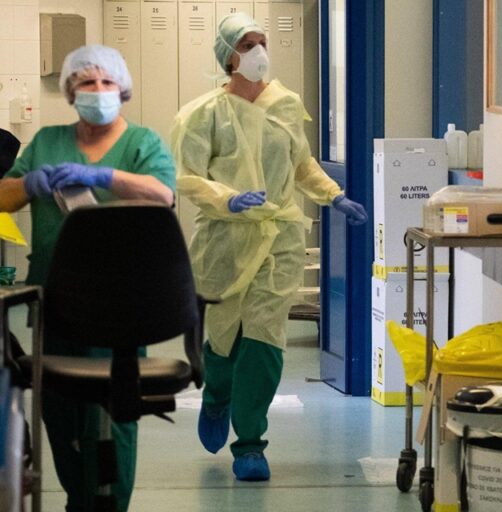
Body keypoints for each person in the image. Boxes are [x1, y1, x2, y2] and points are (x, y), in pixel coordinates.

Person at [171, 12, 367, 482]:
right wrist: (228, 199)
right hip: (224, 239)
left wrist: (333, 196)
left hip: (279, 238)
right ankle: (217, 395)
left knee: (263, 338)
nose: (259, 51)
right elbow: (187, 177)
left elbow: (301, 164)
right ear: (228, 57)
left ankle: (250, 444)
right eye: (247, 44)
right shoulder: (202, 114)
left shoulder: (285, 104)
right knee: (223, 339)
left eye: (261, 41)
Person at [0, 44, 175, 512]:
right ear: (70, 91)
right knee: (60, 414)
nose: (97, 90)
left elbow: (162, 194)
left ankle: (109, 505)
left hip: (121, 309)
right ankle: (80, 501)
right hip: (55, 304)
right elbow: (3, 197)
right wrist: (28, 183)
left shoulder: (142, 144)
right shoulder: (46, 142)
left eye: (106, 82)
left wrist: (102, 176)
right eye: (86, 82)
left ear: (123, 89)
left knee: (114, 415)